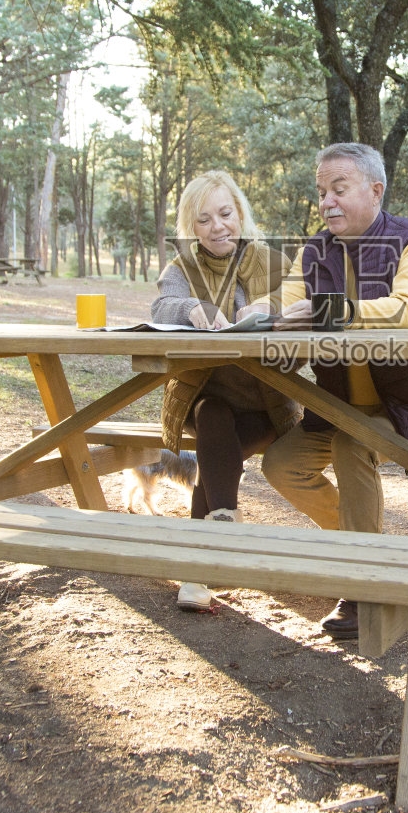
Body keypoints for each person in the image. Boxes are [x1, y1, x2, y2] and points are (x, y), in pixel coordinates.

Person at [240, 142, 408, 639]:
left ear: (375, 191)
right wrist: (256, 315)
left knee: (351, 444)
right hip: (334, 404)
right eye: (321, 192)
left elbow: (405, 309)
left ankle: (363, 583)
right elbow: (288, 299)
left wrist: (329, 311)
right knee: (281, 463)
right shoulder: (316, 249)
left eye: (339, 189)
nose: (326, 202)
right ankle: (369, 551)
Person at [150, 170, 310, 611]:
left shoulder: (275, 262)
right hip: (207, 399)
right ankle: (223, 528)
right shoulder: (181, 268)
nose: (218, 226)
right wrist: (192, 307)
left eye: (225, 213)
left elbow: (304, 314)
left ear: (240, 212)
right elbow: (162, 305)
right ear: (191, 227)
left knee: (214, 450)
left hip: (268, 402)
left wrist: (274, 312)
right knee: (212, 416)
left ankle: (197, 570)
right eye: (204, 219)